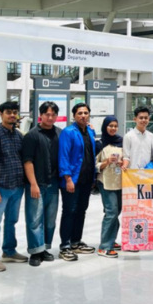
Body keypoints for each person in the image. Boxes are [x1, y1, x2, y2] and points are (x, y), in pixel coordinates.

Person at [0, 101, 27, 272]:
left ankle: (9, 251)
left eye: (14, 112)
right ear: (1, 114)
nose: (12, 115)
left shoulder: (18, 135)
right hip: (1, 187)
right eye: (8, 112)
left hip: (17, 185)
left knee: (12, 221)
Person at [22, 101, 61, 267]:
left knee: (50, 220)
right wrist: (33, 183)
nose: (50, 117)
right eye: (47, 114)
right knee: (34, 219)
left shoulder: (59, 133)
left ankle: (44, 248)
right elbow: (27, 161)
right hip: (37, 183)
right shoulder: (32, 135)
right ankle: (35, 251)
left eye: (53, 114)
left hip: (54, 183)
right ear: (41, 115)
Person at [58, 103, 97, 261]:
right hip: (72, 180)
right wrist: (68, 179)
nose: (83, 115)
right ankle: (64, 246)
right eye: (80, 113)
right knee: (69, 212)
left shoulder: (90, 131)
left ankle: (75, 242)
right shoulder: (68, 132)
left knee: (81, 211)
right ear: (74, 115)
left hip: (86, 179)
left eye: (86, 113)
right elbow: (64, 156)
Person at [95, 116, 123, 258]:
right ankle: (105, 246)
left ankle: (111, 239)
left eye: (115, 126)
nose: (113, 128)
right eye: (110, 126)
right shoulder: (99, 144)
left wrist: (123, 163)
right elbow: (95, 165)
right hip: (106, 182)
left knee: (117, 212)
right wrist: (106, 162)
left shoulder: (121, 142)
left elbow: (127, 159)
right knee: (111, 212)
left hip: (120, 182)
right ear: (105, 127)